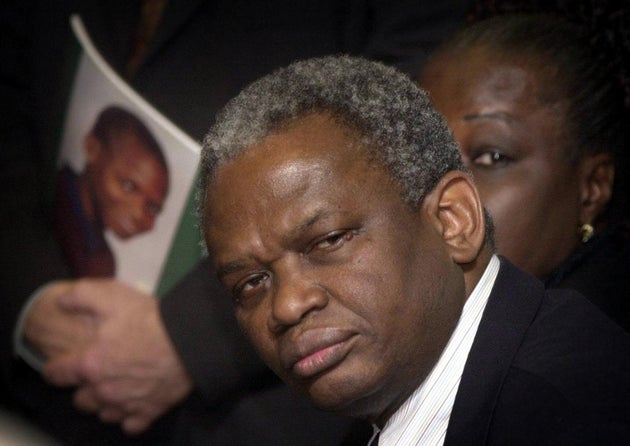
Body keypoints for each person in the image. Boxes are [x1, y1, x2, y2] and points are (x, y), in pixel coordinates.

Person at [0, 0, 474, 444]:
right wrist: (30, 293)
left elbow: (410, 126)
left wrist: (187, 338)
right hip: (29, 376)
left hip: (257, 407)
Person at [197, 55, 630, 445]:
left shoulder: (576, 412)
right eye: (250, 283)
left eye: (327, 241)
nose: (287, 306)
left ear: (453, 220)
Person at [418, 11, 630, 331]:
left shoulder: (577, 356)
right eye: (426, 154)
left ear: (592, 189)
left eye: (492, 157)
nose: (435, 196)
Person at [54, 105, 169, 278]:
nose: (139, 213)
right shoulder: (54, 194)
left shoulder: (101, 259)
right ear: (92, 149)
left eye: (152, 208)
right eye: (128, 186)